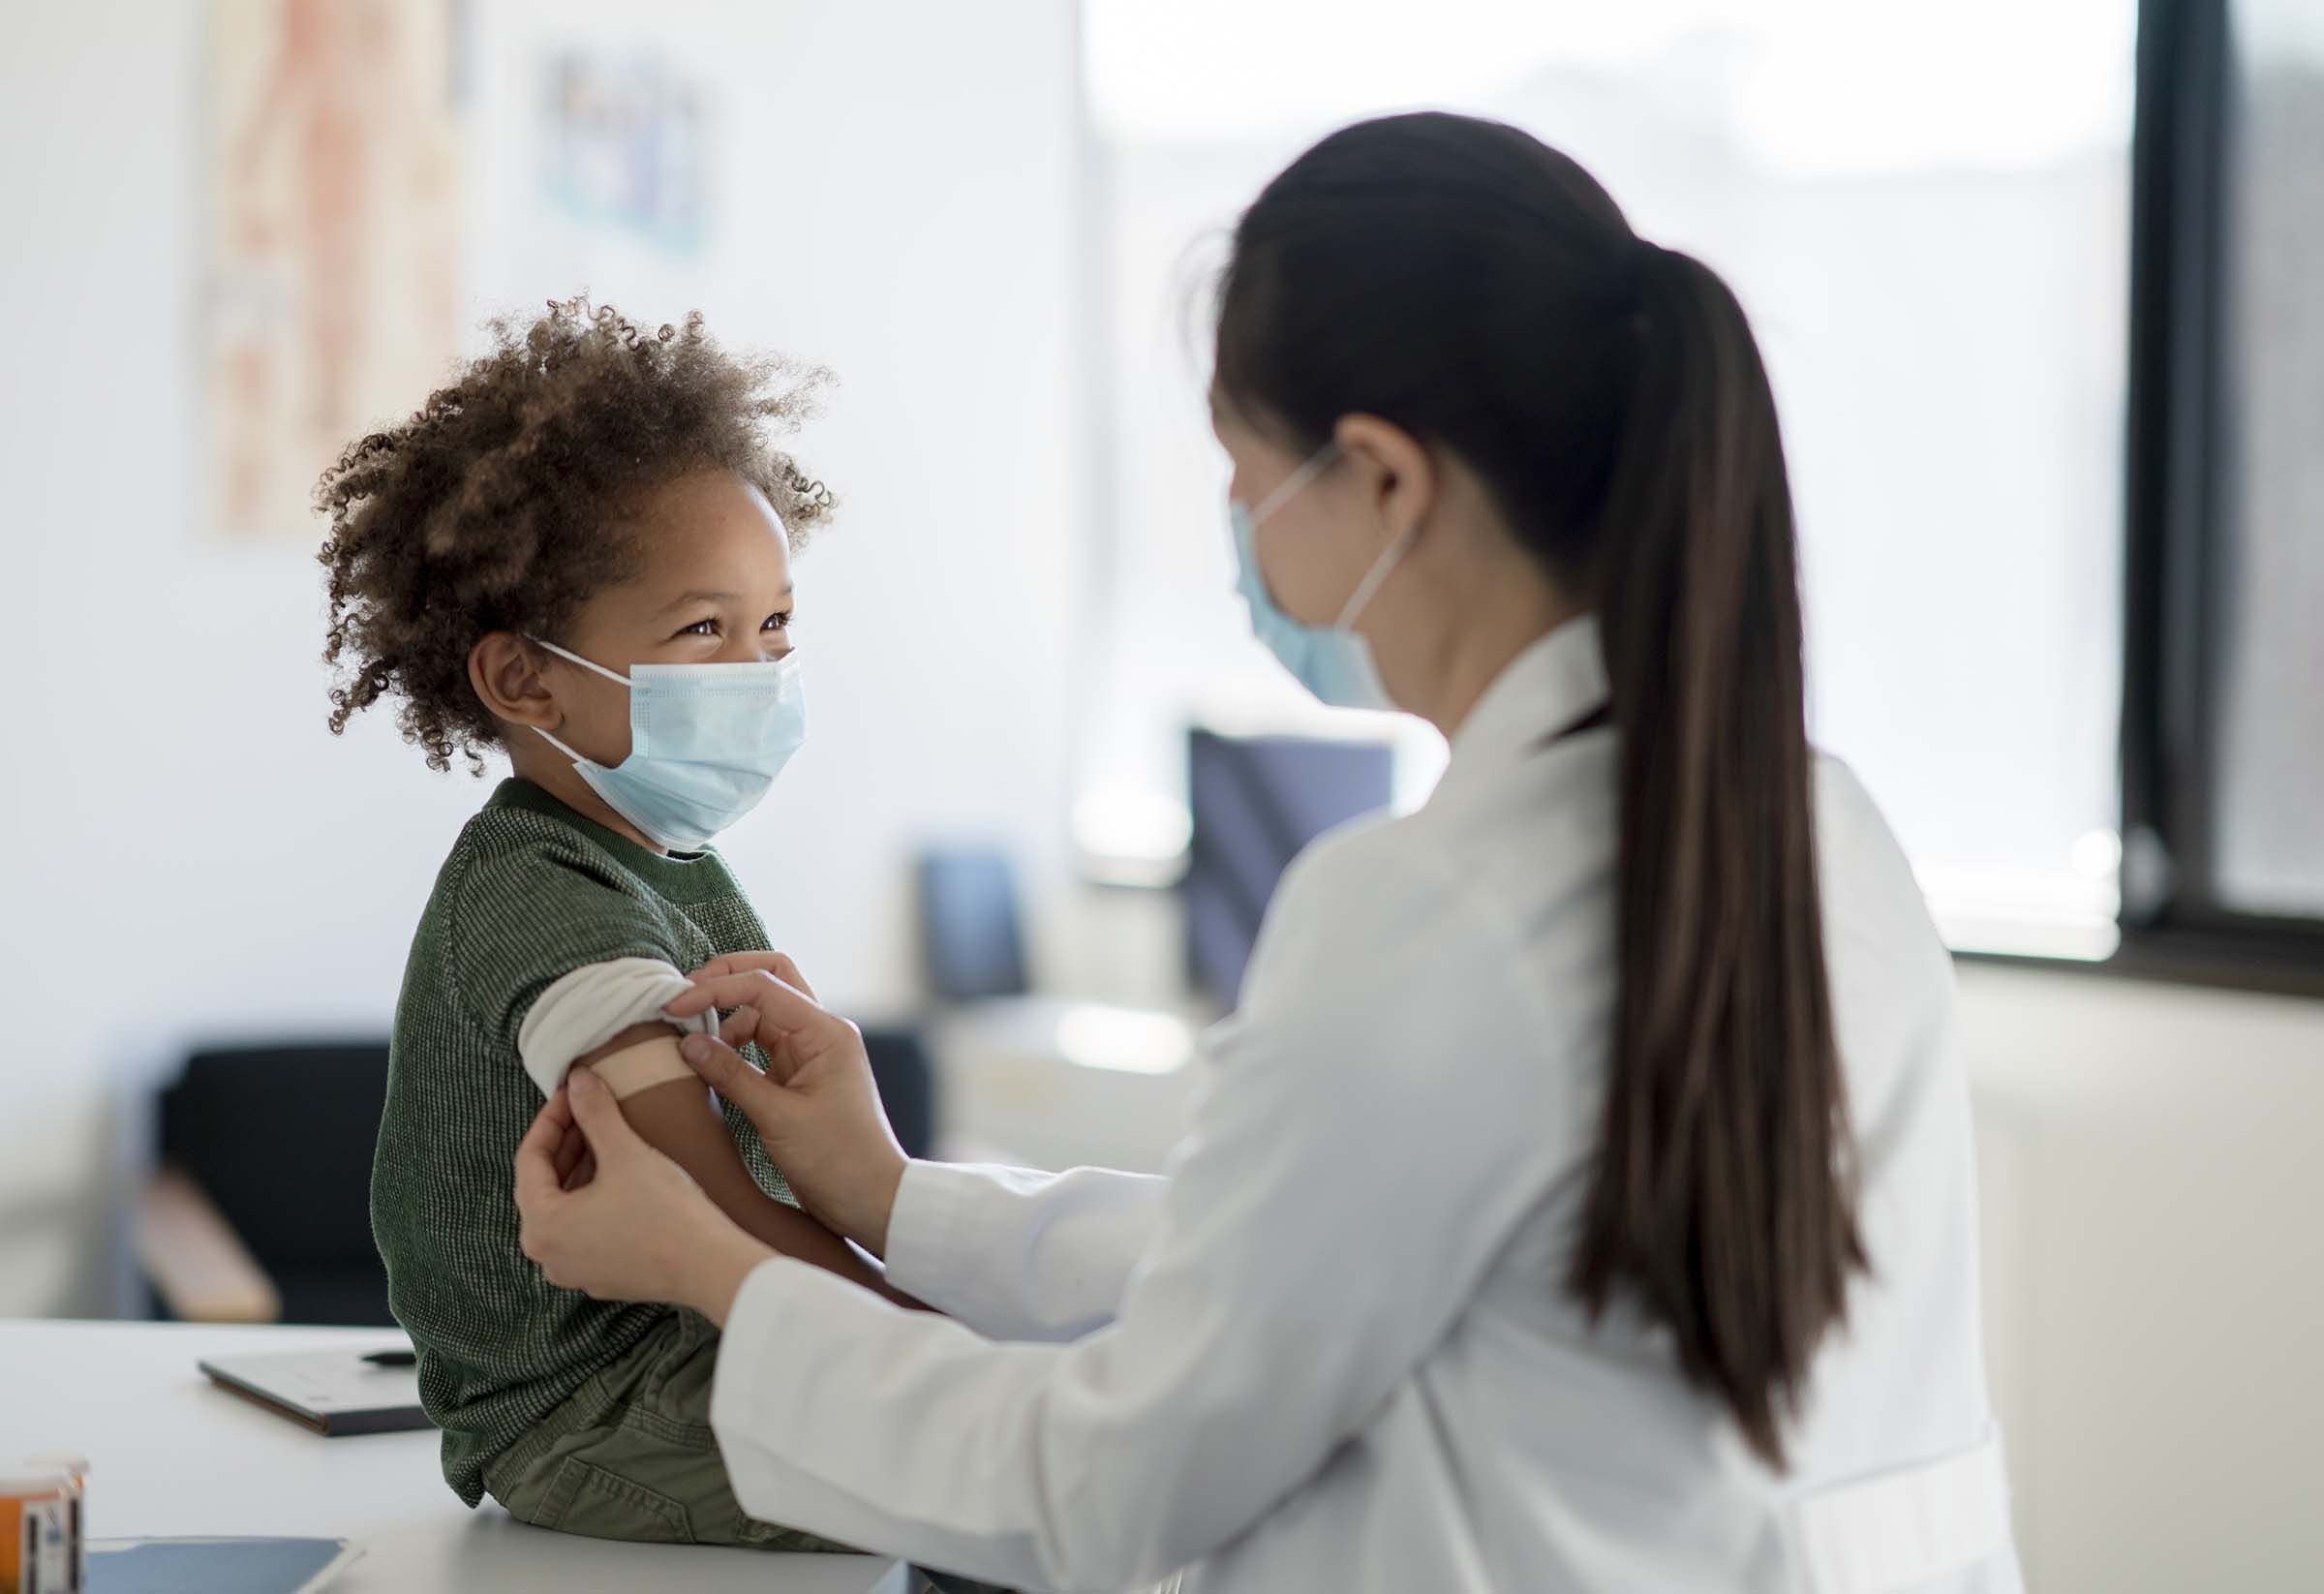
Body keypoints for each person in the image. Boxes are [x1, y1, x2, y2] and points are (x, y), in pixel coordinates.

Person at [513, 114, 2022, 1593]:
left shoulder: (1431, 912)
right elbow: (1291, 1260)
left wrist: (711, 1264)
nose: (1236, 532)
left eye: (1242, 472)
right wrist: (893, 1194)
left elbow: (1095, 1485)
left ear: (1383, 478)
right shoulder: (1826, 832)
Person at [319, 298, 921, 1551]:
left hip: (701, 1342)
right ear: (522, 678)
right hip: (592, 1410)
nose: (757, 674)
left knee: (1012, 1436)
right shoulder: (541, 895)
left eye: (775, 627)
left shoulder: (666, 856)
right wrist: (924, 1345)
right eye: (705, 630)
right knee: (971, 1480)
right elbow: (707, 1201)